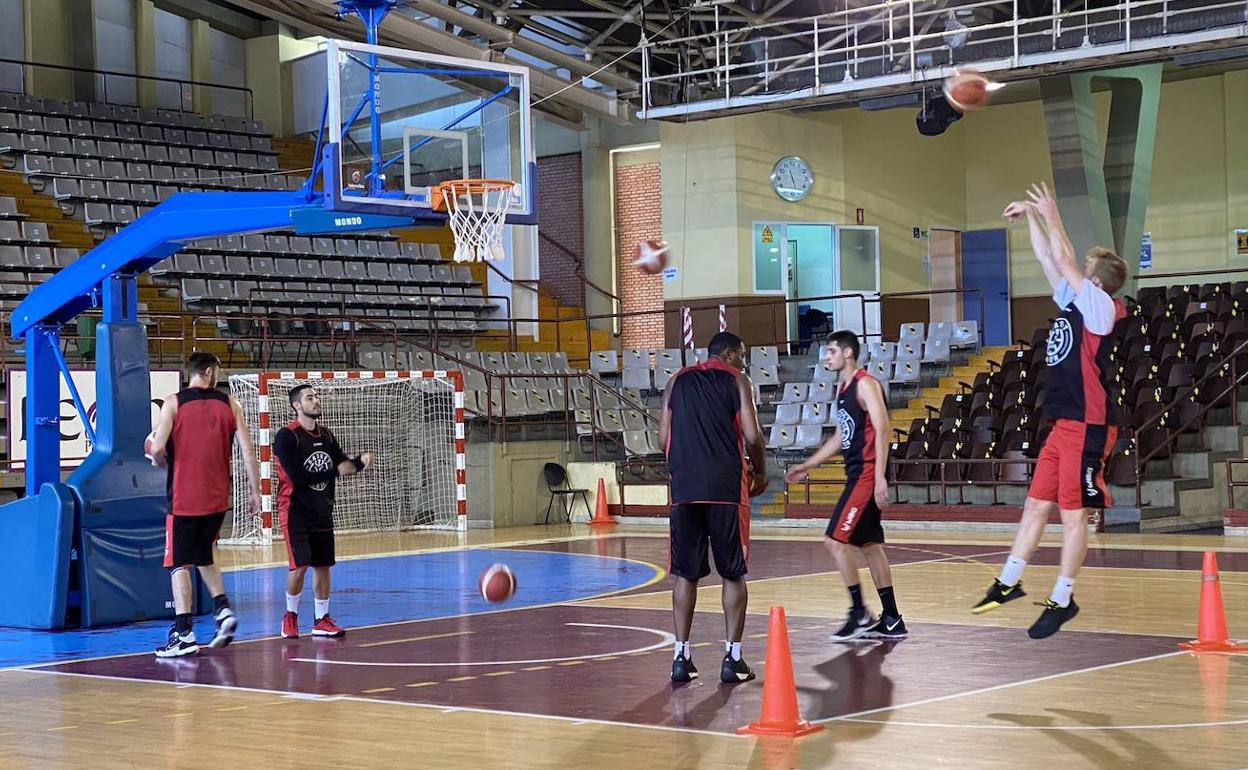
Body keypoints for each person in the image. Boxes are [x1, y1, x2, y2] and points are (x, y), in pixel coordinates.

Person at [973, 182, 1128, 638]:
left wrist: (1053, 213)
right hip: (1063, 423)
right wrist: (1033, 220)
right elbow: (1049, 260)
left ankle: (1063, 597)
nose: (1074, 269)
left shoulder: (1100, 308)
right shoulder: (1074, 301)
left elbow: (1062, 258)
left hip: (1090, 423)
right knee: (1035, 507)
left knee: (1073, 515)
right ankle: (1009, 581)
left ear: (1095, 281)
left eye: (1084, 268)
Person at [659, 331, 768, 684]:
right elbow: (752, 436)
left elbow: (663, 439)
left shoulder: (676, 380)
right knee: (733, 572)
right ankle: (733, 658)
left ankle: (681, 656)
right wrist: (762, 471)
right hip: (725, 485)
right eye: (744, 354)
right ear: (732, 354)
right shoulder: (738, 380)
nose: (745, 361)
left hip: (684, 487)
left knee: (685, 572)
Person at [787, 331, 906, 642]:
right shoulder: (843, 388)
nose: (827, 357)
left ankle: (858, 613)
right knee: (869, 547)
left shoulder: (865, 384)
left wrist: (880, 476)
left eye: (831, 351)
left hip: (867, 474)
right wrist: (808, 464)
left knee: (835, 541)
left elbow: (883, 430)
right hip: (858, 473)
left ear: (848, 353)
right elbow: (842, 436)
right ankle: (892, 618)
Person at [149, 352, 260, 658]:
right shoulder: (230, 404)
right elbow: (249, 452)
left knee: (177, 563)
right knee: (204, 554)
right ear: (210, 372)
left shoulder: (173, 403)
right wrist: (255, 492)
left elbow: (157, 448)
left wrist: (159, 458)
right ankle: (222, 609)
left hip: (184, 496)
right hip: (217, 498)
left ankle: (183, 633)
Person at [274, 384, 374, 638]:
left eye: (317, 397)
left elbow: (342, 465)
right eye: (310, 398)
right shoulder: (287, 436)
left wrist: (359, 463)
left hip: (322, 509)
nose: (316, 401)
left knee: (323, 565)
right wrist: (336, 471)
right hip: (295, 510)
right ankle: (290, 616)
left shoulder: (327, 436)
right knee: (299, 566)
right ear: (297, 405)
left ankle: (321, 619)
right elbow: (296, 476)